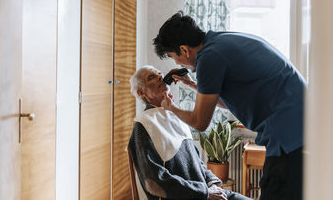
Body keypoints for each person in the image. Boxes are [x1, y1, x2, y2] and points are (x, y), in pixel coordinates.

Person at [153, 11, 306, 200]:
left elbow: (201, 123)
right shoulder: (222, 41)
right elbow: (229, 102)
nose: (176, 62)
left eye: (173, 56)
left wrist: (171, 108)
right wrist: (193, 85)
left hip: (288, 132)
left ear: (184, 49)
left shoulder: (208, 58)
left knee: (276, 190)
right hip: (304, 122)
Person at [128, 65, 250, 200]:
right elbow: (153, 183)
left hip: (205, 192)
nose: (160, 77)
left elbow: (196, 161)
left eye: (159, 74)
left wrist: (212, 184)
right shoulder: (143, 125)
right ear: (140, 93)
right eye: (151, 77)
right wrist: (205, 193)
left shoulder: (175, 115)